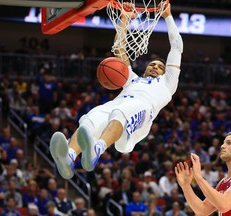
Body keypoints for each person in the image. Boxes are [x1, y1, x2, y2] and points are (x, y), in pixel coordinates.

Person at [49, 2, 183, 179]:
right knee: (91, 118)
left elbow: (176, 47)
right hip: (119, 107)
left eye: (159, 66)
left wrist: (168, 17)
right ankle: (69, 157)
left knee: (122, 110)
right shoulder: (133, 79)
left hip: (141, 116)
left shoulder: (168, 83)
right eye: (152, 64)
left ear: (166, 71)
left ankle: (98, 149)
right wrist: (124, 20)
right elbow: (120, 49)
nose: (154, 67)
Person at [175, 132, 231, 215]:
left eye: (229, 143)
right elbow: (202, 211)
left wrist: (199, 178)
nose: (222, 146)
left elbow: (224, 205)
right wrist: (186, 186)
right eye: (223, 143)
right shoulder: (223, 182)